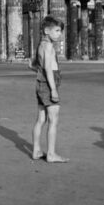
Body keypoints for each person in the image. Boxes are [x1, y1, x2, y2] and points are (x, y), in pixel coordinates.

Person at [28, 15, 69, 163]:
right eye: (57, 30)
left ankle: (36, 150)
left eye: (61, 31)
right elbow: (48, 69)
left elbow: (34, 66)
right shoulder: (49, 47)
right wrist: (53, 90)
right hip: (48, 85)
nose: (60, 34)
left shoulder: (41, 45)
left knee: (41, 119)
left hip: (40, 84)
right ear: (47, 30)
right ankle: (51, 154)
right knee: (53, 120)